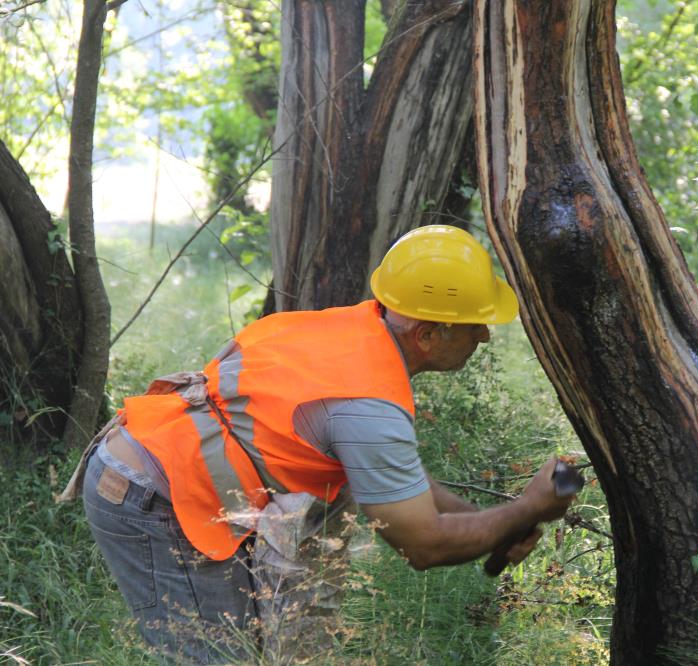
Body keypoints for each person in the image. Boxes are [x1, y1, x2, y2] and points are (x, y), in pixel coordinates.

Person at [60, 225, 575, 663]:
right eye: (473, 325)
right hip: (152, 496)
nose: (483, 336)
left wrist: (496, 523)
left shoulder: (346, 330)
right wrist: (530, 507)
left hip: (151, 463)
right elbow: (423, 544)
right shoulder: (367, 406)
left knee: (244, 647)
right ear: (427, 334)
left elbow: (394, 479)